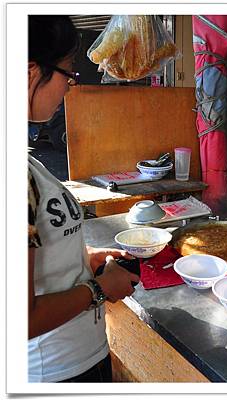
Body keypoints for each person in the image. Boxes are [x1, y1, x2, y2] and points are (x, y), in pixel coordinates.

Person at [28, 15, 139, 382]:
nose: (69, 88)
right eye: (68, 73)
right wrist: (98, 289)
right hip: (57, 372)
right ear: (31, 73)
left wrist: (83, 261)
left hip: (77, 360)